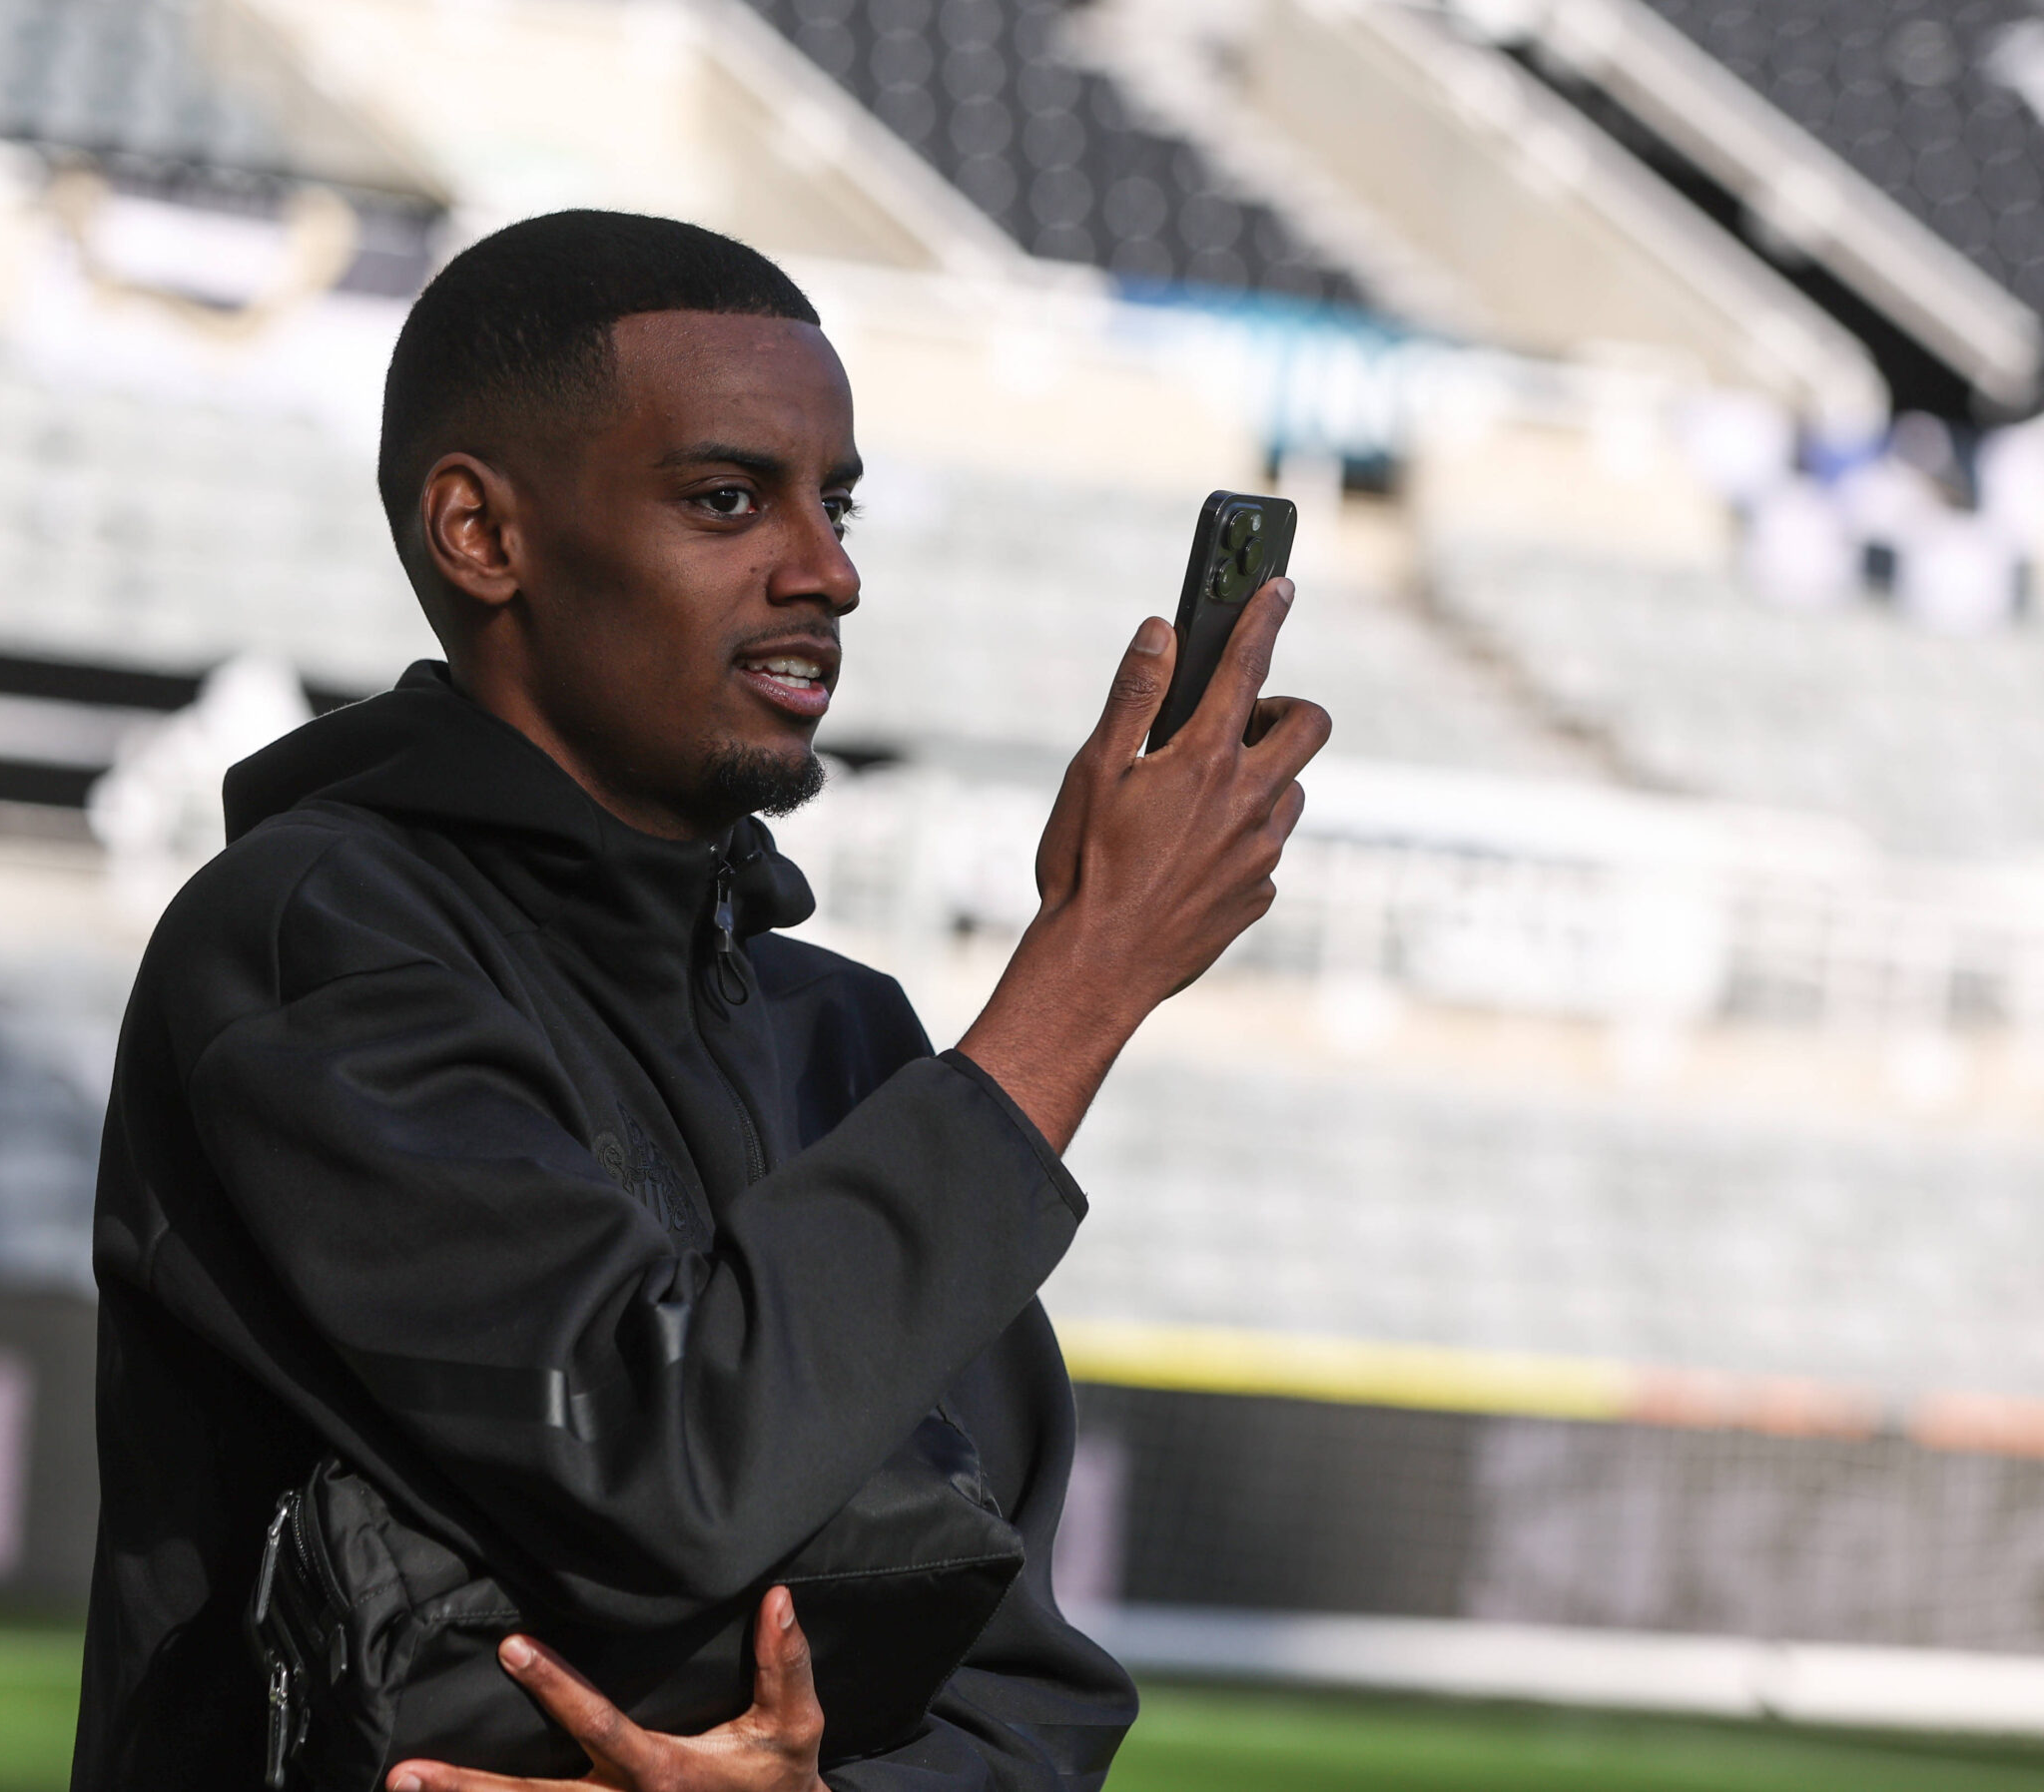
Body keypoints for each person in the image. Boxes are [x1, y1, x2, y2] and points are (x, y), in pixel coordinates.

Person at [70, 210, 1328, 1792]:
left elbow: (1029, 1698)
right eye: (728, 499)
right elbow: (659, 1468)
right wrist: (1084, 974)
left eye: (836, 502)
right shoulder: (309, 940)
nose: (830, 572)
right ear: (482, 534)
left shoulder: (848, 1036)